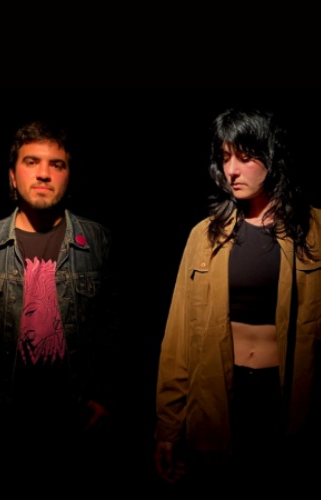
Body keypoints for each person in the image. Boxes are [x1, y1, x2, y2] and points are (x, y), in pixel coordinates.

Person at [0, 119, 121, 497]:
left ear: (69, 176)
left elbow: (116, 323)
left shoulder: (97, 240)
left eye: (56, 164)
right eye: (31, 162)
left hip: (76, 419)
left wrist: (106, 395)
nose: (44, 173)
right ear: (12, 176)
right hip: (3, 417)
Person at [154, 107, 321, 496]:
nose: (231, 170)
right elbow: (178, 339)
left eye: (244, 157)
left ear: (272, 156)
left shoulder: (315, 230)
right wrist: (167, 427)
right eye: (225, 157)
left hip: (287, 400)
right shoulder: (204, 236)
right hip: (217, 399)